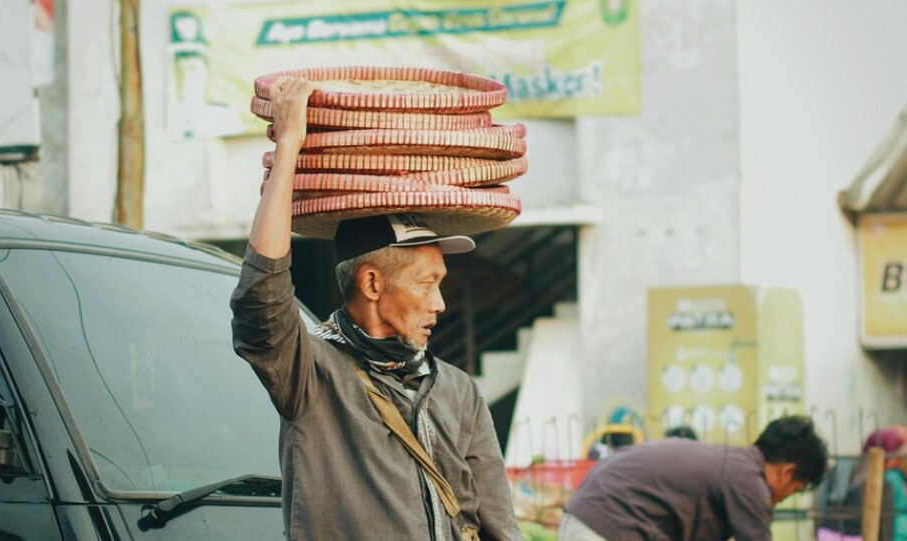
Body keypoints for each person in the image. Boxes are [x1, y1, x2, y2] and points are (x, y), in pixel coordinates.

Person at [230, 77, 521, 541]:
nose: (440, 304)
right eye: (427, 285)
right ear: (371, 283)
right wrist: (290, 144)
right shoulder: (312, 375)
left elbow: (499, 528)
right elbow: (260, 301)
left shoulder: (459, 392)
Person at [559, 415, 828, 541]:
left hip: (587, 520)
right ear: (788, 471)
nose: (779, 500)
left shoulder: (731, 464)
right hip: (603, 529)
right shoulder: (748, 479)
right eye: (792, 491)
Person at [815, 426, 907, 541]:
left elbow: (820, 502)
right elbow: (886, 525)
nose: (899, 462)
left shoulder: (843, 465)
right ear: (886, 457)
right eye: (897, 457)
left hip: (826, 533)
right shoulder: (884, 483)